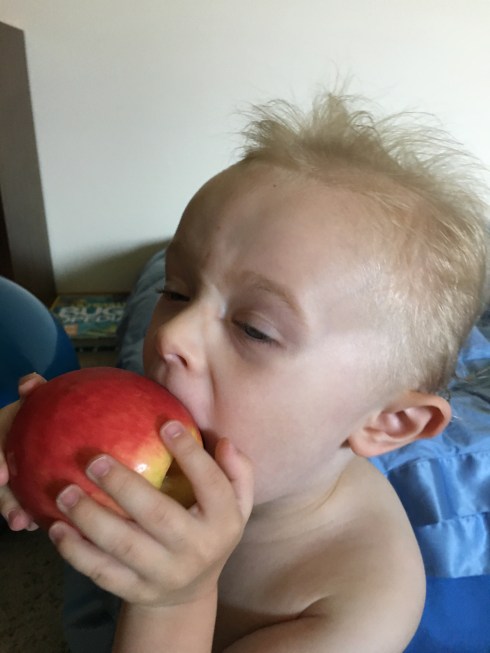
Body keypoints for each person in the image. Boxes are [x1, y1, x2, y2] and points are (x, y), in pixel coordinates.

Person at [0, 90, 488, 653]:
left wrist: (173, 603)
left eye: (254, 329)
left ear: (386, 422)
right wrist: (35, 449)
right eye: (176, 291)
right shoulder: (182, 427)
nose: (172, 337)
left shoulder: (358, 602)